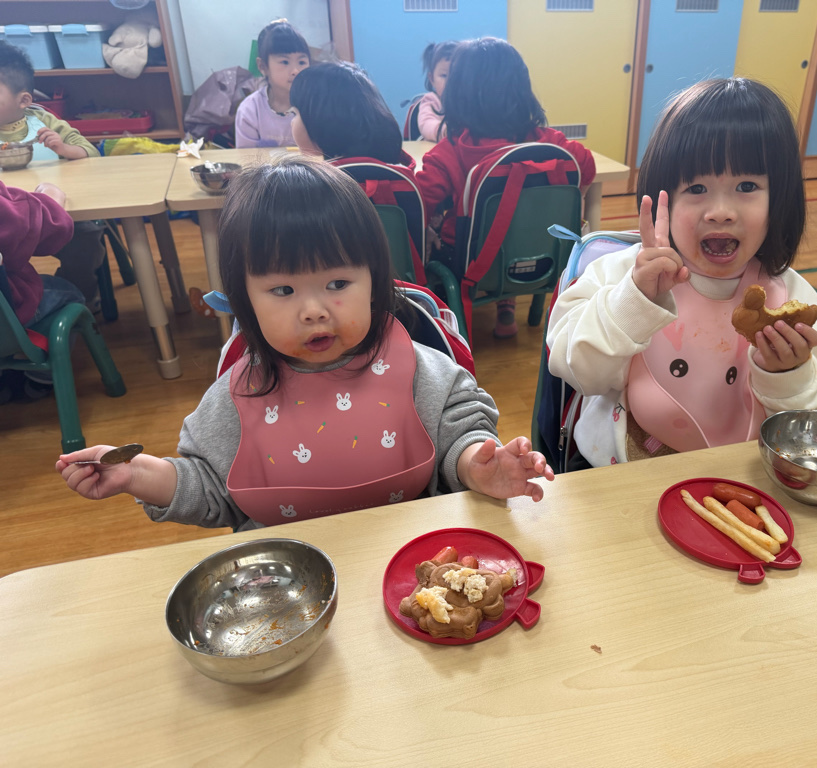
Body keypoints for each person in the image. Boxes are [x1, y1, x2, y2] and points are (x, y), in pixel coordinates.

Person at [56, 157, 554, 531]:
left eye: (337, 284)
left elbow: (458, 434)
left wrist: (476, 465)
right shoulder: (238, 394)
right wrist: (138, 475)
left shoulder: (419, 368)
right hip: (287, 582)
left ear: (375, 283)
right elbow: (210, 487)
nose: (313, 310)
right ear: (245, 302)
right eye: (282, 290)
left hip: (408, 558)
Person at [545, 78, 817, 468]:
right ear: (664, 197)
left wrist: (789, 374)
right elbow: (574, 369)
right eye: (696, 188)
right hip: (623, 470)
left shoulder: (789, 295)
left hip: (740, 475)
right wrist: (632, 302)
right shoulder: (622, 273)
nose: (720, 211)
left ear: (780, 200)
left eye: (746, 185)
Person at [416, 37, 595, 339]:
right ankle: (510, 306)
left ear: (458, 93)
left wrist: (429, 229)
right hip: (546, 257)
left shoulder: (449, 153)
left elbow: (418, 203)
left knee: (435, 247)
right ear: (522, 91)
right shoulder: (553, 145)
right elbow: (586, 169)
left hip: (470, 265)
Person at [0, 40, 105, 312]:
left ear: (23, 100)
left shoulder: (43, 121)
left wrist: (63, 148)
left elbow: (90, 153)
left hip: (56, 214)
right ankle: (15, 307)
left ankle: (78, 297)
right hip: (9, 221)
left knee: (86, 237)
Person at [0, 180, 78, 402]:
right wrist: (51, 194)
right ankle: (41, 378)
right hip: (7, 319)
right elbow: (54, 227)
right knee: (70, 294)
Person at [289, 61, 414, 168]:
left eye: (294, 113)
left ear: (322, 120)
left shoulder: (328, 183)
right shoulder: (392, 167)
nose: (292, 123)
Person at [234, 19, 310, 148]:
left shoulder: (316, 105)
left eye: (301, 62)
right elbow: (246, 157)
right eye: (285, 62)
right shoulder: (250, 110)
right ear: (263, 66)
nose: (295, 71)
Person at [417, 41, 456, 142]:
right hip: (437, 148)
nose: (450, 81)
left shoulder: (470, 102)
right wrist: (446, 131)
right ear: (432, 79)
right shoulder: (432, 100)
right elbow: (426, 124)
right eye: (444, 75)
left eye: (457, 75)